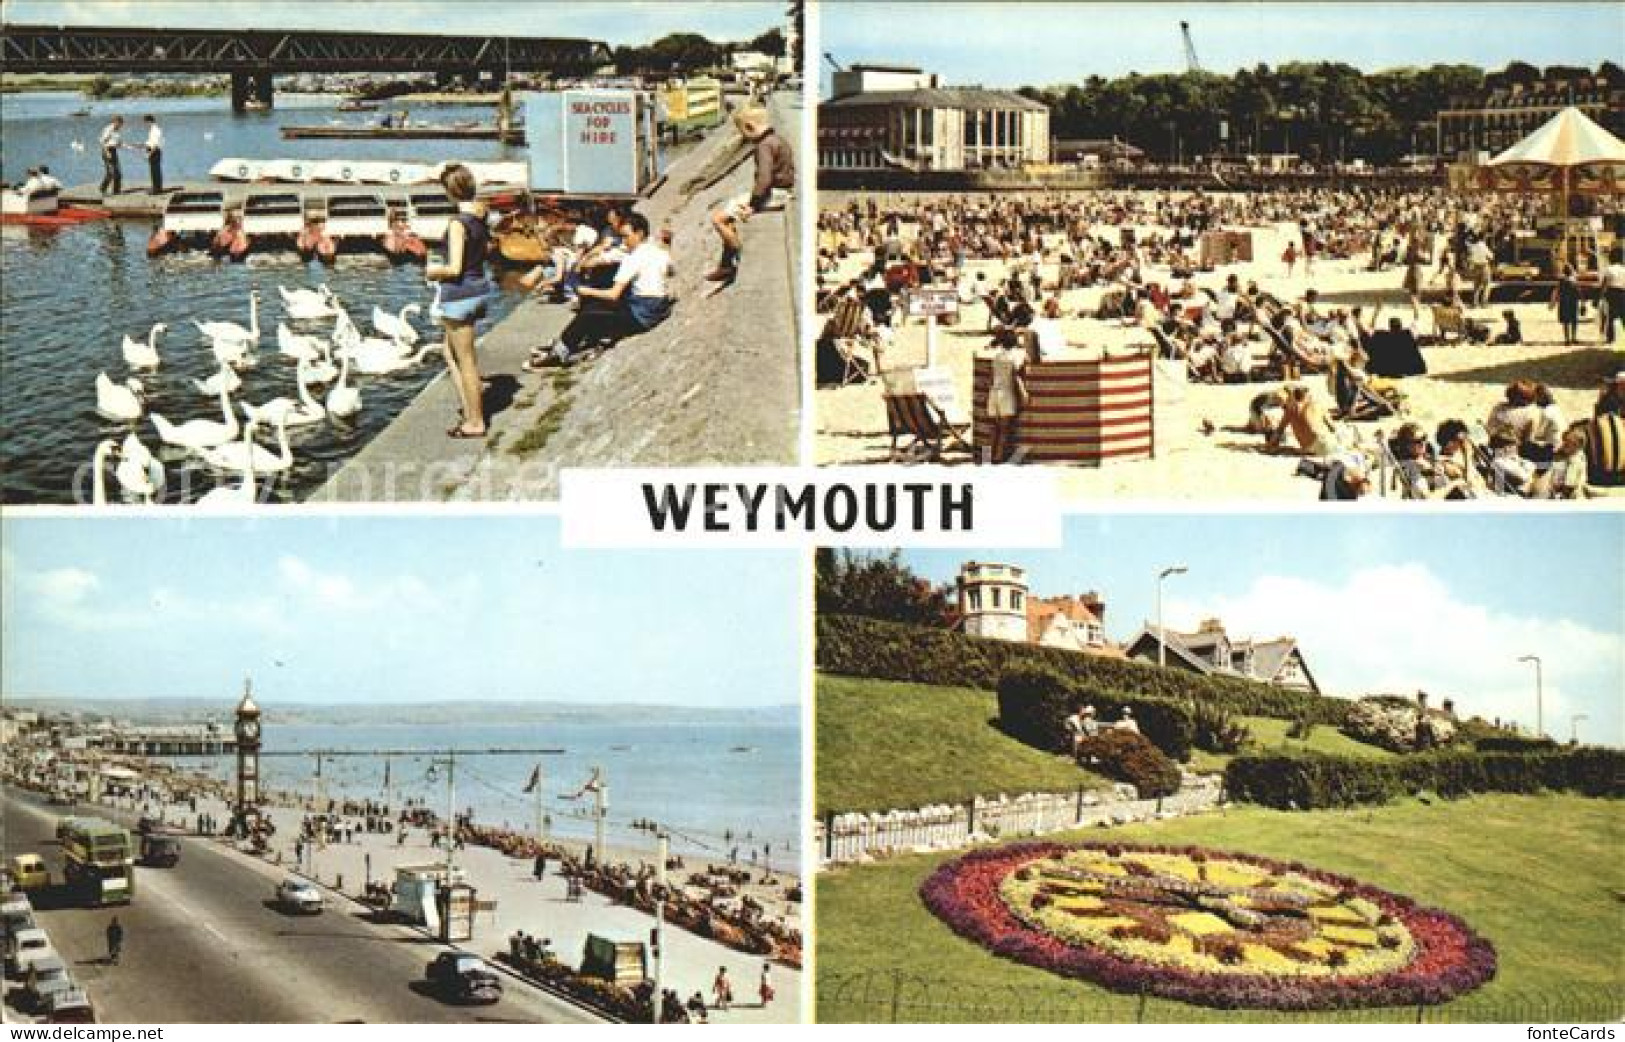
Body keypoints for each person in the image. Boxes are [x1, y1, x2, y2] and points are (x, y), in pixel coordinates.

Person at [530, 212, 673, 368]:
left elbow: (613, 295)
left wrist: (586, 291)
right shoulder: (658, 251)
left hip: (641, 316)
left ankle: (560, 353)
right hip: (658, 307)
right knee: (596, 306)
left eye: (626, 236)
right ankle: (571, 341)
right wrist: (667, 244)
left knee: (588, 314)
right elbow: (670, 271)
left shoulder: (633, 259)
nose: (624, 242)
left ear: (639, 234)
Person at [424, 163, 493, 439]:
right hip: (477, 289)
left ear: (450, 192)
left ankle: (475, 422)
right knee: (449, 353)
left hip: (459, 295)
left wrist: (431, 270)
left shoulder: (457, 224)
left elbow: (453, 268)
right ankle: (469, 407)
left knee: (466, 361)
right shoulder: (479, 219)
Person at [707, 106, 795, 283]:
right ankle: (727, 261)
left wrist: (752, 206)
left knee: (718, 219)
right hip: (784, 192)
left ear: (749, 126)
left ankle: (731, 259)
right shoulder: (779, 140)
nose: (744, 138)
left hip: (773, 194)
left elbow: (764, 179)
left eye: (743, 132)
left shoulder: (763, 146)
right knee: (729, 214)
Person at [984, 329, 1027, 464]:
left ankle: (987, 457)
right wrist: (1023, 394)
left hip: (993, 393)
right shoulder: (1015, 357)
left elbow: (990, 378)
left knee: (993, 429)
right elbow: (1015, 377)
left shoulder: (997, 357)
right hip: (1006, 395)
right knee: (1004, 429)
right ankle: (998, 457)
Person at [1551, 265, 1582, 345]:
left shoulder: (1561, 281)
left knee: (1565, 322)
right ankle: (1574, 338)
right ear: (1571, 271)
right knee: (1574, 321)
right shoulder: (1574, 280)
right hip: (1573, 302)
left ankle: (1567, 339)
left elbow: (1556, 292)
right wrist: (1583, 302)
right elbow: (1579, 292)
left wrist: (1553, 303)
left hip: (1564, 302)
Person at [1603, 246, 1625, 346]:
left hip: (1612, 293)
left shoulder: (1609, 269)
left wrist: (1601, 295)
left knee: (1611, 316)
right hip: (1622, 292)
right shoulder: (1624, 269)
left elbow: (1604, 284)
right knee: (1623, 315)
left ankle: (1610, 337)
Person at [99, 115, 124, 196]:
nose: (121, 126)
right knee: (111, 172)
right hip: (107, 150)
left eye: (121, 125)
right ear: (116, 122)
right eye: (120, 124)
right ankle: (103, 188)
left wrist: (121, 144)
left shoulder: (117, 131)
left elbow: (117, 143)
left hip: (113, 150)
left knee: (118, 172)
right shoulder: (108, 129)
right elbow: (103, 142)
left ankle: (116, 191)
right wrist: (107, 152)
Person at [142, 115, 164, 194]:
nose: (145, 125)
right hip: (153, 150)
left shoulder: (155, 130)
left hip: (155, 151)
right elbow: (150, 142)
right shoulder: (153, 130)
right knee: (154, 170)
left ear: (149, 121)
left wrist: (149, 154)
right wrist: (143, 145)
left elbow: (155, 144)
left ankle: (157, 189)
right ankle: (156, 188)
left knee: (155, 170)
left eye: (145, 123)